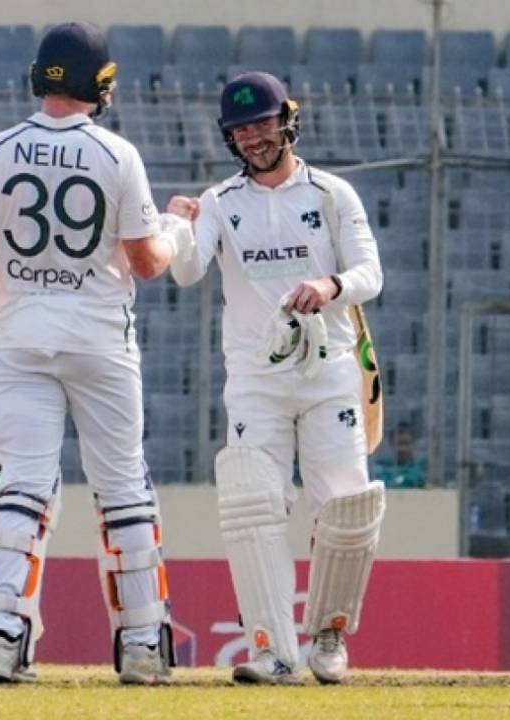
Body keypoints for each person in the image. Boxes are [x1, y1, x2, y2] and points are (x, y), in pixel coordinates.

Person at [0, 21, 191, 686]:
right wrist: (175, 229)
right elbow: (147, 263)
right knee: (123, 490)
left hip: (22, 338)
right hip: (101, 341)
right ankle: (141, 644)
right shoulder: (117, 155)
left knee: (22, 488)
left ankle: (3, 635)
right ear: (100, 83)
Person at [164, 71, 385, 685]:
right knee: (252, 506)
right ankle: (271, 650)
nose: (254, 138)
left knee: (344, 505)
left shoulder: (332, 194)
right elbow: (186, 272)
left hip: (328, 371)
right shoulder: (219, 202)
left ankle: (329, 636)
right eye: (241, 130)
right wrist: (176, 226)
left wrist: (330, 285)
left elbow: (370, 274)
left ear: (287, 119)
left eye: (262, 123)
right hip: (255, 379)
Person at [372, 421, 426, 488]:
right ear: (392, 444)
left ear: (413, 444)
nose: (402, 449)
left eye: (406, 443)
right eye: (399, 443)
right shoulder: (382, 469)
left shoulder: (420, 469)